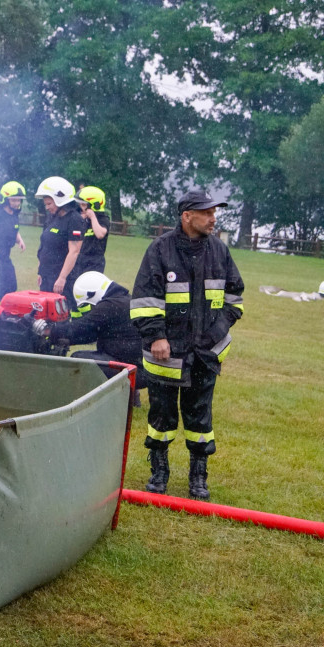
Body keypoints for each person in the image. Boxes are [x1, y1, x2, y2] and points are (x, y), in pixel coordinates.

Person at [130, 189, 244, 500]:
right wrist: (156, 336)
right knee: (162, 417)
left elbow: (235, 298)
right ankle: (159, 473)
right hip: (166, 353)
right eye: (206, 212)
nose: (213, 217)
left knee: (200, 418)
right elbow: (143, 300)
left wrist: (216, 331)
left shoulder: (220, 251)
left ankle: (198, 477)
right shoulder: (160, 250)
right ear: (187, 216)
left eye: (214, 211)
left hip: (205, 354)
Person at [43, 271, 145, 405]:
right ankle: (130, 395)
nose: (92, 308)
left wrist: (50, 330)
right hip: (137, 367)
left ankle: (84, 402)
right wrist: (68, 340)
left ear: (92, 294)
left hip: (132, 371)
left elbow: (80, 327)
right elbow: (92, 333)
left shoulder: (109, 306)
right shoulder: (123, 300)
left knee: (79, 359)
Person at [35, 176, 85, 311]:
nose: (47, 207)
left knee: (60, 316)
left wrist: (62, 278)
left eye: (49, 204)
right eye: (45, 204)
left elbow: (74, 251)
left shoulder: (74, 219)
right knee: (44, 313)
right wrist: (41, 271)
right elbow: (45, 246)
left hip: (62, 279)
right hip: (47, 275)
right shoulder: (52, 218)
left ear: (60, 200)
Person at [74, 185, 110, 283]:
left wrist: (93, 217)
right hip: (80, 259)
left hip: (94, 261)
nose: (81, 207)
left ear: (94, 205)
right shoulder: (81, 218)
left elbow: (100, 234)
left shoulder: (103, 219)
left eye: (84, 205)